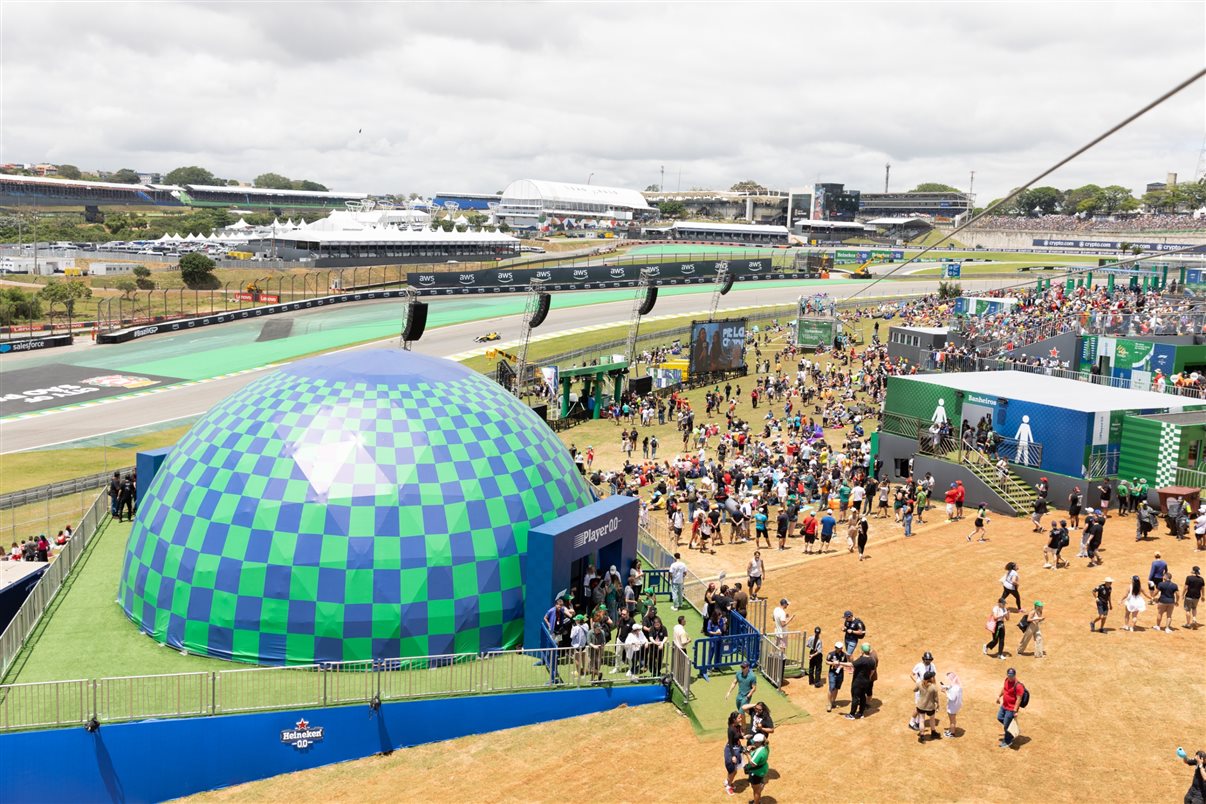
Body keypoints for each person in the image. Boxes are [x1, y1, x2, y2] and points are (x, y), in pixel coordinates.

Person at [995, 667, 1026, 748]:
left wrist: (1015, 711)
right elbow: (1004, 689)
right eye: (1009, 675)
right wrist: (999, 696)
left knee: (1006, 725)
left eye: (1012, 676)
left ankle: (1008, 741)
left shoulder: (1018, 686)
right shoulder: (1006, 680)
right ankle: (1011, 730)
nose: (1010, 677)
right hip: (1004, 705)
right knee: (999, 717)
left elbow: (1019, 699)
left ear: (1015, 675)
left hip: (1011, 709)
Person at [844, 643, 876, 720]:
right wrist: (868, 677)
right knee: (862, 697)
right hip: (866, 681)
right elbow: (872, 671)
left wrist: (839, 663)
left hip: (857, 682)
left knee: (855, 697)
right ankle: (861, 713)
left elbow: (851, 664)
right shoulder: (872, 660)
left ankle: (852, 714)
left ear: (862, 651)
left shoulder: (861, 660)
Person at [908, 651, 937, 731]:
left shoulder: (932, 666)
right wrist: (918, 683)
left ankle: (917, 722)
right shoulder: (919, 666)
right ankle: (911, 723)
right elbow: (911, 674)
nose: (928, 661)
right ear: (923, 659)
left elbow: (934, 677)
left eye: (929, 660)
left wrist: (934, 686)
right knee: (918, 707)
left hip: (928, 690)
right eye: (926, 660)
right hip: (920, 690)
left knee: (923, 706)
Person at [723, 710, 745, 796]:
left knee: (734, 770)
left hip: (737, 749)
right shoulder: (730, 729)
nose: (741, 718)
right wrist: (733, 756)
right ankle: (728, 786)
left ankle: (728, 781)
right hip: (731, 750)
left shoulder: (738, 726)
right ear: (734, 719)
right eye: (739, 717)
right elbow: (731, 743)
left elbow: (739, 736)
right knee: (732, 771)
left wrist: (743, 736)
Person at [914, 670, 940, 742]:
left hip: (921, 706)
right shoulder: (933, 687)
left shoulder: (920, 684)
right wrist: (938, 705)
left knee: (921, 720)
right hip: (930, 707)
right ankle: (933, 732)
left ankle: (922, 736)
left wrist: (918, 685)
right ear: (930, 678)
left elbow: (915, 690)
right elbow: (936, 699)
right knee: (932, 719)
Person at [745, 732, 770, 804]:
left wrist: (747, 753)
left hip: (756, 772)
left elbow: (752, 764)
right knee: (758, 787)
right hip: (763, 769)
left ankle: (756, 802)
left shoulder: (759, 752)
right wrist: (753, 747)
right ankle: (758, 794)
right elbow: (759, 746)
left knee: (756, 791)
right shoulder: (765, 746)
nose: (753, 743)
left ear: (759, 743)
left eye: (755, 742)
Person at [940, 671, 963, 738]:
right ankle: (951, 730)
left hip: (952, 707)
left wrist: (945, 692)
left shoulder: (954, 689)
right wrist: (946, 687)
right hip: (957, 705)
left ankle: (952, 733)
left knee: (952, 720)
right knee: (953, 719)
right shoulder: (958, 686)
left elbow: (951, 698)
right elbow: (950, 687)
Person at [825, 641, 847, 712]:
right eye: (837, 648)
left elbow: (845, 663)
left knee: (837, 687)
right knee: (831, 687)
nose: (838, 649)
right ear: (835, 648)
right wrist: (832, 663)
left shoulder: (844, 655)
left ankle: (833, 701)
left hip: (840, 673)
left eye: (840, 648)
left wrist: (841, 666)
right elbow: (826, 662)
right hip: (832, 673)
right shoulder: (831, 654)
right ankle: (829, 703)